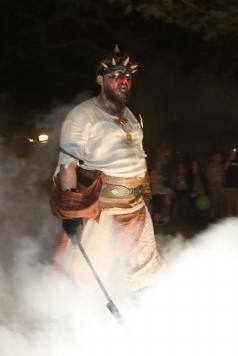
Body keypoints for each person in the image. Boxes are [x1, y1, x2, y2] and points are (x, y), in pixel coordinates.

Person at [51, 46, 162, 292]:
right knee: (85, 278)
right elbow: (68, 164)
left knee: (142, 273)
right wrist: (72, 215)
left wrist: (147, 198)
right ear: (99, 79)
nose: (123, 81)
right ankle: (74, 323)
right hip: (101, 211)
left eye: (127, 77)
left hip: (136, 208)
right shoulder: (82, 115)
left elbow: (139, 159)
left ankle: (136, 315)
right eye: (115, 76)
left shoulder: (133, 116)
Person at [223, 149, 238, 216]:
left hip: (237, 186)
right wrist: (230, 159)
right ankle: (229, 220)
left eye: (235, 153)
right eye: (232, 153)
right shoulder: (226, 161)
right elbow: (224, 168)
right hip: (229, 186)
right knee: (229, 205)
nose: (234, 154)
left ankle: (236, 220)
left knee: (237, 205)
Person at [205, 152, 225, 220]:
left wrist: (221, 186)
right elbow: (209, 177)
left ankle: (219, 218)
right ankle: (211, 218)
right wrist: (216, 185)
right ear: (213, 158)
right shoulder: (210, 166)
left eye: (220, 157)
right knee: (214, 203)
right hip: (213, 188)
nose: (218, 158)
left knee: (221, 203)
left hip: (220, 188)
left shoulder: (222, 166)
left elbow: (223, 177)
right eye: (217, 157)